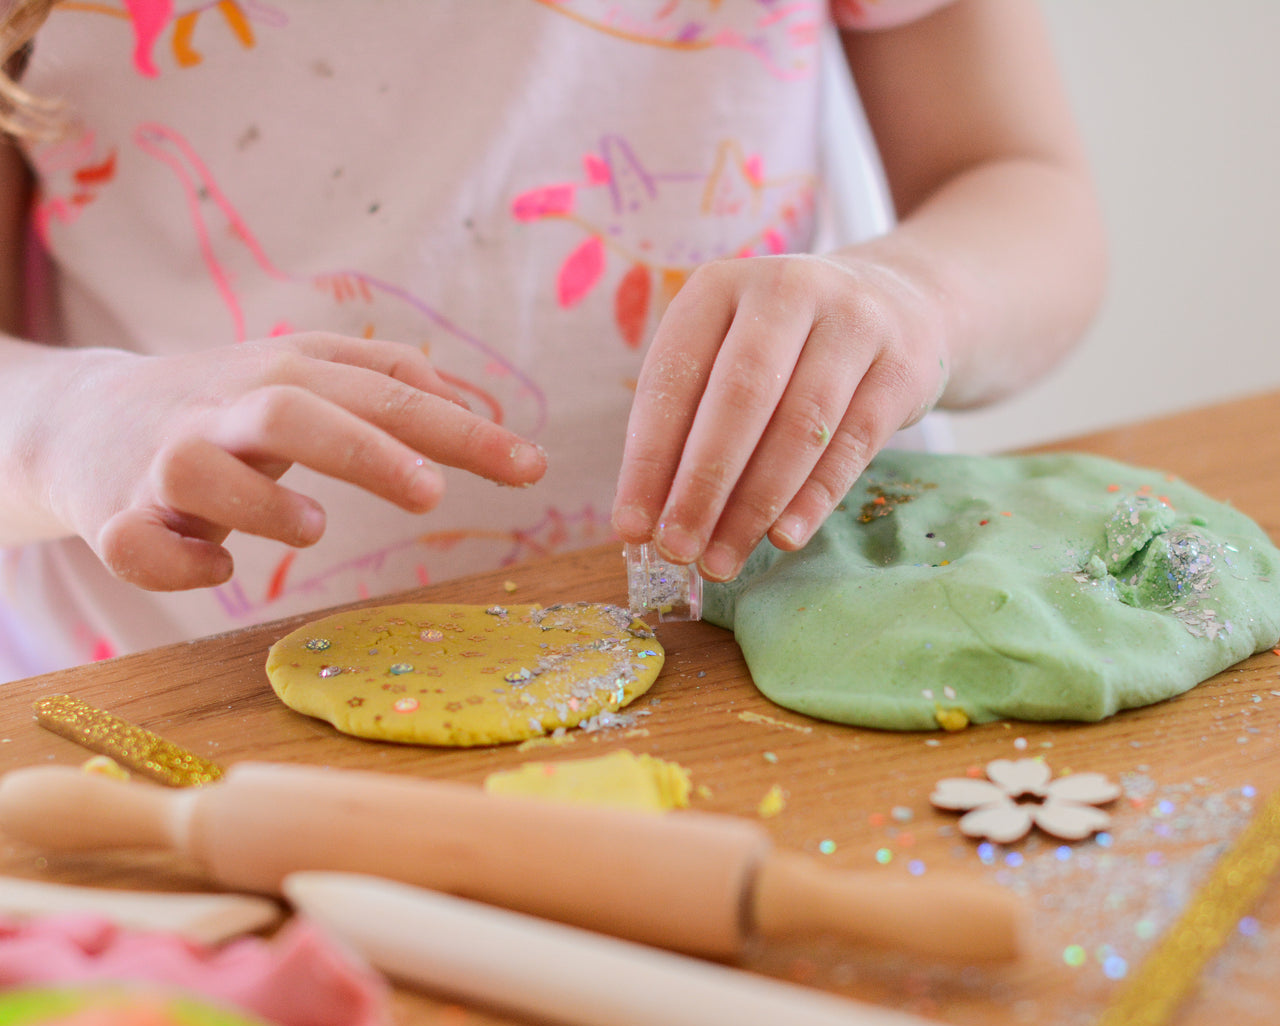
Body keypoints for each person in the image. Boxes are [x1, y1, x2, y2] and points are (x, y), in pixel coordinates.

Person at [0, 0, 1105, 677]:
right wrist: (69, 426)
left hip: (820, 646)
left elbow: (1022, 189)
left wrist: (917, 296)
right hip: (198, 723)